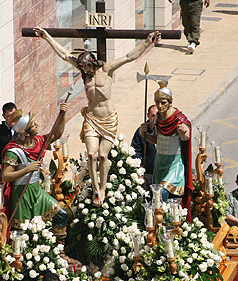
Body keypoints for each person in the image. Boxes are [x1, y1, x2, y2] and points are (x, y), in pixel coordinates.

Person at [35, 27, 161, 206]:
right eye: (83, 68)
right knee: (91, 154)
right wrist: (47, 37)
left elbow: (128, 57)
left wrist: (146, 42)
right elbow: (64, 54)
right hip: (92, 119)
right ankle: (96, 190)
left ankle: (103, 187)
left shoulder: (106, 68)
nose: (85, 71)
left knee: (103, 156)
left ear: (92, 63)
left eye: (87, 67)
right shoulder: (83, 72)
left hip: (108, 119)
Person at [1, 104, 68, 243]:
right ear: (25, 132)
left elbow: (56, 134)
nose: (36, 125)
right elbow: (6, 176)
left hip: (36, 191)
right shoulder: (13, 151)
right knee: (24, 231)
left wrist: (62, 115)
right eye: (33, 125)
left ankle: (59, 251)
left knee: (61, 214)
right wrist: (27, 169)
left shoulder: (37, 142)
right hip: (22, 194)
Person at [149, 81, 193, 220]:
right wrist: (145, 135)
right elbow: (158, 140)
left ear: (170, 102)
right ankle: (160, 227)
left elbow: (186, 136)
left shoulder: (179, 118)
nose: (160, 106)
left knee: (161, 193)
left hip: (175, 165)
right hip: (160, 163)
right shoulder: (159, 119)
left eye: (163, 102)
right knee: (157, 199)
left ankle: (164, 226)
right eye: (157, 103)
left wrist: (184, 132)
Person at [132, 105, 158, 187]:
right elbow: (135, 151)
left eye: (158, 115)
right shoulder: (141, 131)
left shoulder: (165, 130)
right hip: (148, 174)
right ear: (148, 116)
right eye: (153, 115)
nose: (155, 118)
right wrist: (138, 170)